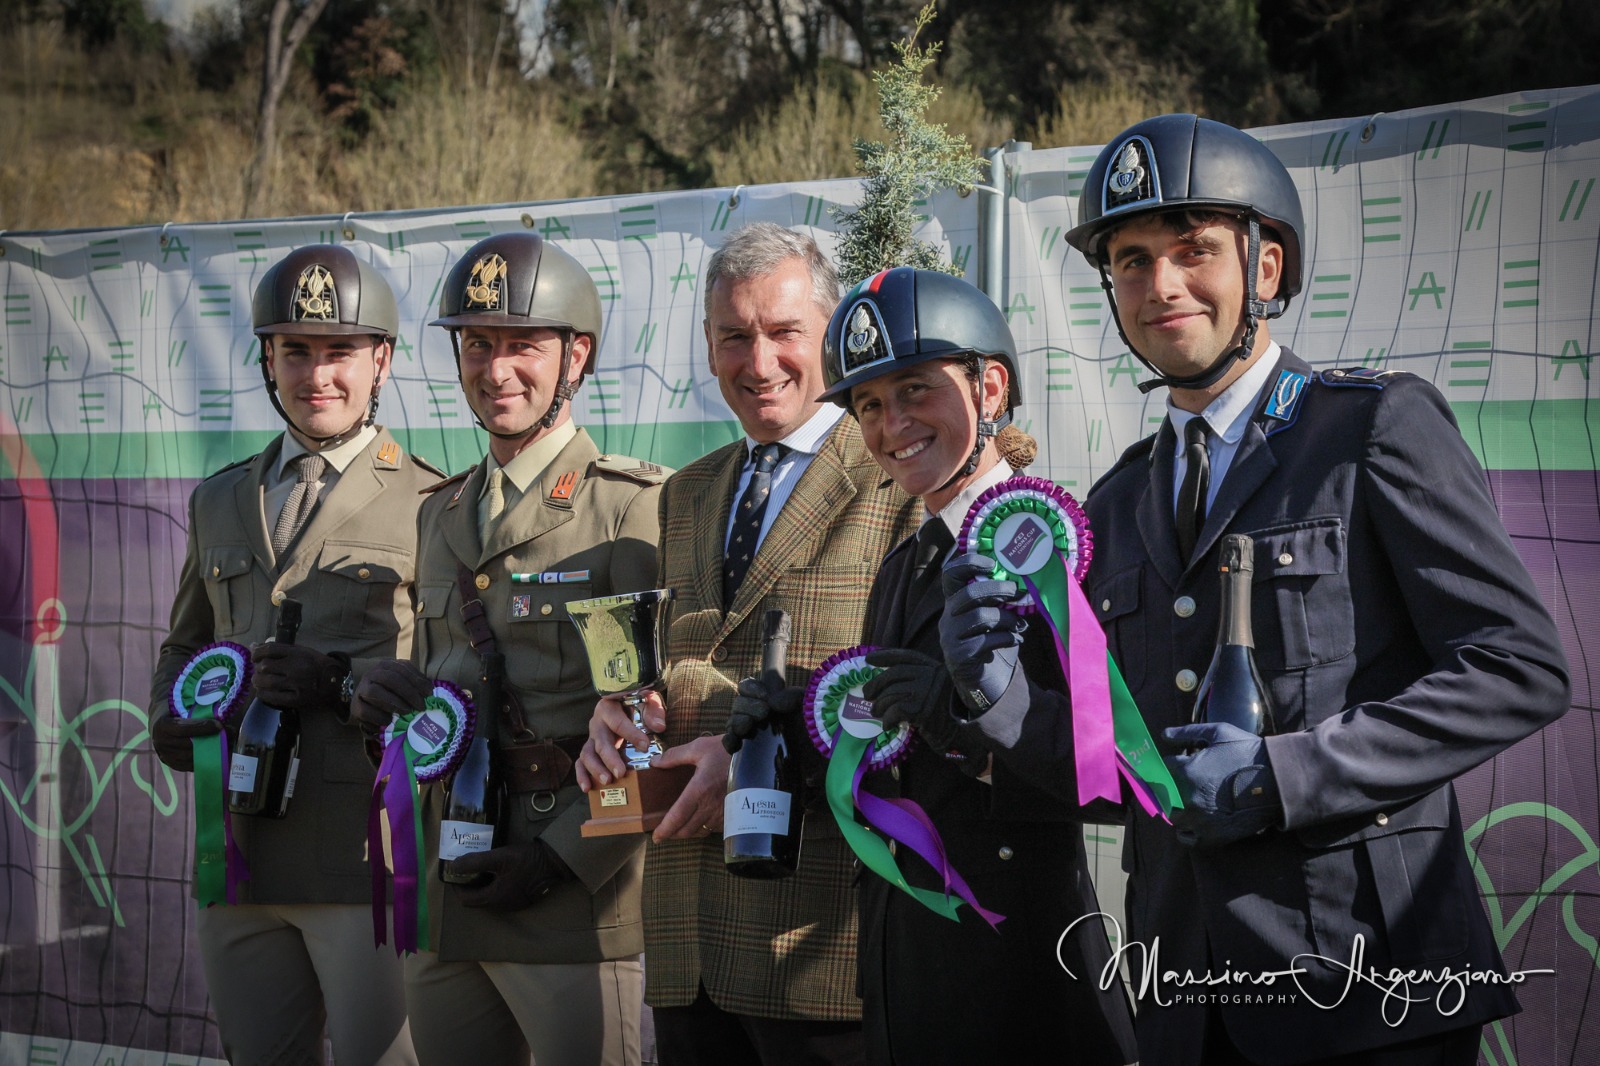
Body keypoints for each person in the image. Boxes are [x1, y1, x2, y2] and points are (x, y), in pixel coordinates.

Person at [1006, 113, 1567, 1065]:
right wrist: (993, 698)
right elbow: (1119, 766)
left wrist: (1285, 773)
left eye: (1194, 252)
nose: (1161, 286)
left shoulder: (1370, 429)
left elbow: (1519, 668)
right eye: (1133, 261)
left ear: (1265, 270)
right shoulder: (1119, 496)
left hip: (1372, 990)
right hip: (1185, 996)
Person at [575, 222, 919, 1065]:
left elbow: (907, 698)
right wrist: (623, 712)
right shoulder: (686, 493)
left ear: (832, 337)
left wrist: (758, 743)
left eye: (783, 332)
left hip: (819, 947)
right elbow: (675, 665)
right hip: (689, 939)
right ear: (708, 344)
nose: (758, 362)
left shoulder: (897, 478)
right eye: (735, 336)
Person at [349, 232, 665, 1066]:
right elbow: (449, 682)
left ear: (576, 357)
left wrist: (559, 861)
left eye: (523, 343)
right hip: (449, 892)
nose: (496, 370)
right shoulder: (440, 512)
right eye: (477, 344)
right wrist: (396, 701)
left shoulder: (624, 511)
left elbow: (644, 724)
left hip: (568, 904)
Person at [810, 265, 1138, 1065]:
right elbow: (896, 766)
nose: (891, 426)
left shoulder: (1056, 546)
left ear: (989, 388)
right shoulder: (905, 561)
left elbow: (1112, 777)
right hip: (909, 968)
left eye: (915, 391)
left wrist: (960, 725)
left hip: (1021, 972)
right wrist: (796, 722)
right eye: (870, 406)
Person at [148, 244, 432, 1066]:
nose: (318, 375)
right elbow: (186, 642)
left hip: (364, 862)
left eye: (340, 352)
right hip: (236, 857)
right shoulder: (220, 497)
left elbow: (451, 686)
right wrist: (170, 712)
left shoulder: (433, 501)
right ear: (267, 360)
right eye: (295, 351)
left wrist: (341, 686)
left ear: (380, 360)